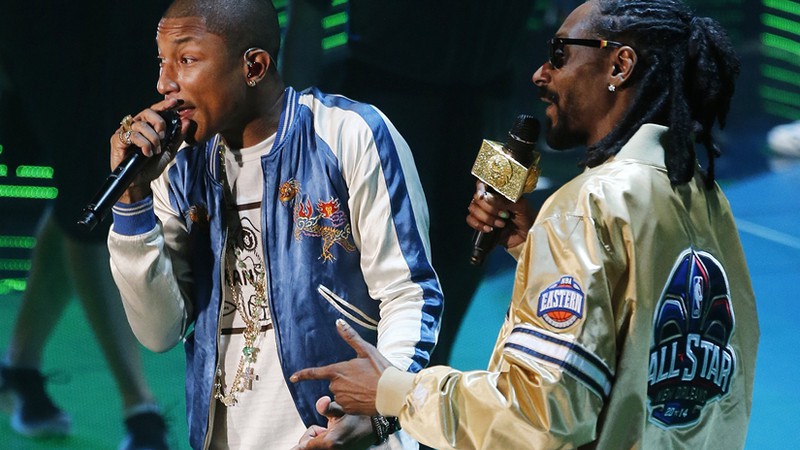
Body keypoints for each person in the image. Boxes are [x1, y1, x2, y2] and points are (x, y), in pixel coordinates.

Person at [290, 0, 760, 448]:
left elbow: (541, 419)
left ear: (619, 66)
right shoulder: (704, 195)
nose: (539, 74)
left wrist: (394, 392)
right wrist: (537, 246)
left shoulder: (584, 206)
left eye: (559, 55)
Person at [105, 0, 442, 449]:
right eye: (162, 62)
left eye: (186, 60)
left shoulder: (350, 134)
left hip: (338, 437)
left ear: (255, 66)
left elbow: (409, 292)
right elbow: (159, 330)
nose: (165, 84)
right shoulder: (180, 168)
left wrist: (382, 413)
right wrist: (132, 205)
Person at [280, 0, 535, 366]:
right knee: (381, 263)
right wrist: (296, 134)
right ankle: (377, 392)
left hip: (489, 107)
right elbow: (309, 10)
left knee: (476, 242)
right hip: (391, 102)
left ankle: (426, 380)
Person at [0, 2, 169, 449]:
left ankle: (20, 368)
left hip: (134, 19)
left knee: (82, 190)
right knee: (91, 194)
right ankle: (140, 407)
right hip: (53, 24)